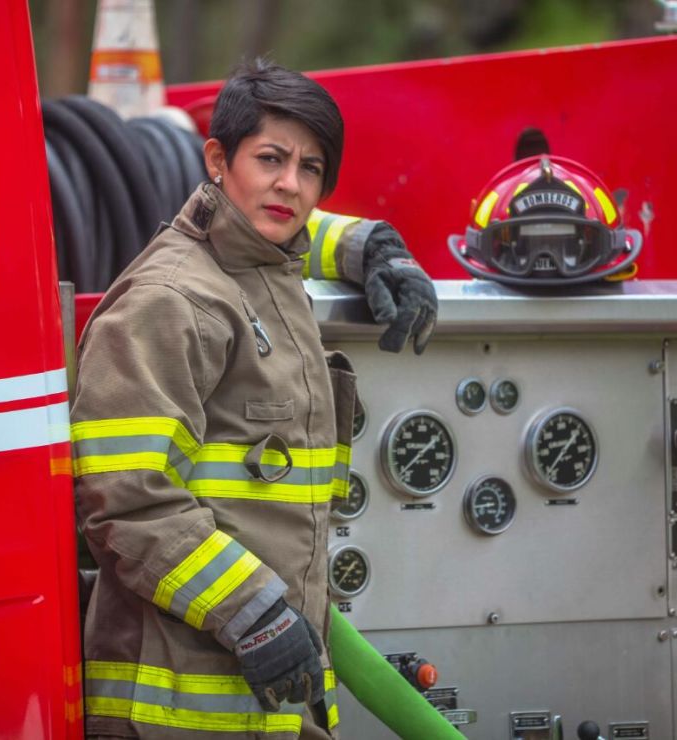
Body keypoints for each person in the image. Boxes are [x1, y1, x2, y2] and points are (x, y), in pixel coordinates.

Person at [72, 59, 437, 739]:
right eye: (269, 158)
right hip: (176, 710)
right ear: (218, 157)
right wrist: (255, 612)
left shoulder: (263, 268)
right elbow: (126, 499)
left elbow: (286, 228)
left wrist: (371, 247)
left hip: (266, 702)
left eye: (312, 169)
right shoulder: (170, 302)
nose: (290, 185)